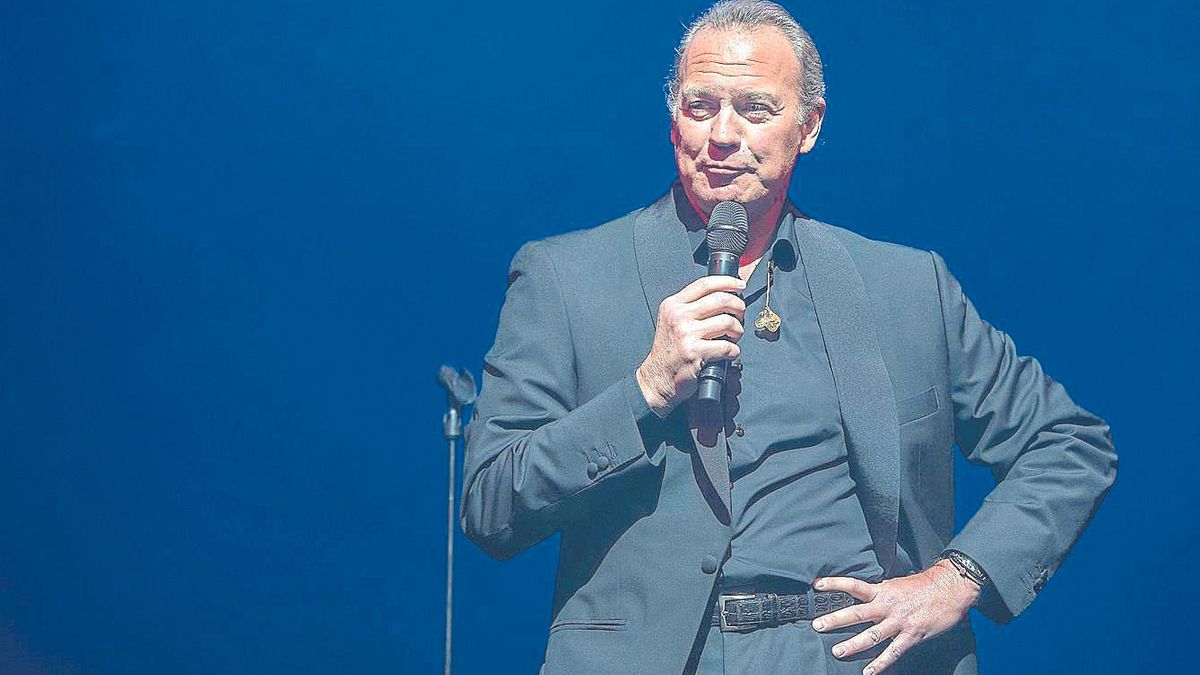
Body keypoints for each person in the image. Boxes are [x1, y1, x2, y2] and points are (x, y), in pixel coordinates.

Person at [459, 1, 1117, 673]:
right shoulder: (568, 278)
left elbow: (1068, 443)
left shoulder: (905, 285)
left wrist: (959, 575)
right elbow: (491, 503)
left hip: (855, 654)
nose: (722, 134)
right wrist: (644, 390)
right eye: (700, 106)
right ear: (672, 120)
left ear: (808, 126)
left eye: (754, 109)